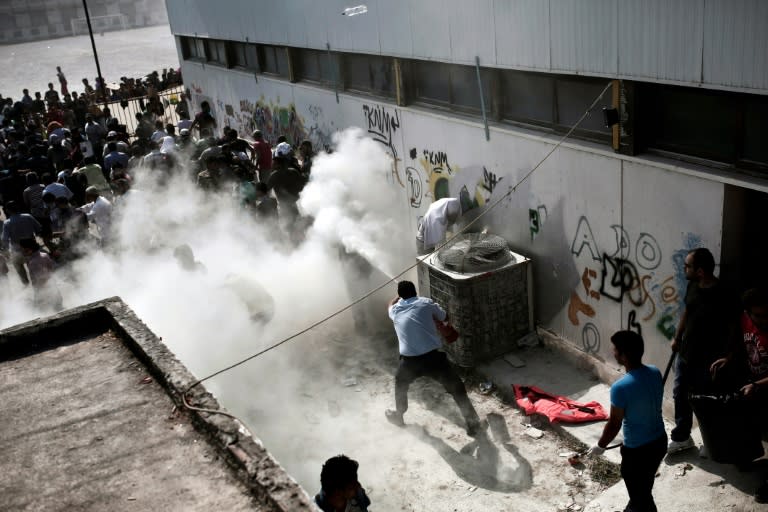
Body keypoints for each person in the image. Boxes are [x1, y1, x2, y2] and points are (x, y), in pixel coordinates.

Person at [385, 280, 482, 435]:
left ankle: (399, 415)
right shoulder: (425, 303)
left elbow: (390, 304)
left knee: (400, 384)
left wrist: (398, 296)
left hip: (409, 362)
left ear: (401, 296)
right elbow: (444, 316)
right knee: (457, 388)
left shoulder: (395, 310)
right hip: (433, 359)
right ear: (415, 291)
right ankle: (473, 424)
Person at [667, 248, 738, 454]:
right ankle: (682, 437)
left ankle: (711, 440)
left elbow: (734, 327)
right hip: (686, 353)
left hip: (709, 358)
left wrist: (729, 355)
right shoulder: (693, 285)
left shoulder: (725, 293)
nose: (684, 268)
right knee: (680, 393)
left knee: (706, 400)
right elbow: (687, 312)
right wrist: (677, 337)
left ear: (700, 271)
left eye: (687, 265)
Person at [588, 330, 667, 512]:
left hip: (638, 452)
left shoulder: (620, 388)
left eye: (616, 349)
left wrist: (600, 446)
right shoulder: (655, 372)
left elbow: (615, 423)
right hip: (659, 442)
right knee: (644, 487)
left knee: (642, 497)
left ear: (624, 355)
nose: (613, 352)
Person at [710, 287, 768, 503]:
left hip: (761, 385)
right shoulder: (745, 319)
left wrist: (756, 384)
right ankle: (748, 459)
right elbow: (742, 345)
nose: (762, 320)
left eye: (766, 315)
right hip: (754, 384)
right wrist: (729, 358)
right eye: (758, 315)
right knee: (747, 422)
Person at [1, 200, 42, 285]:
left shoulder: (7, 223)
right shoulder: (28, 216)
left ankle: (25, 284)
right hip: (32, 247)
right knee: (34, 267)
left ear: (7, 211)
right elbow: (38, 229)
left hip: (17, 250)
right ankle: (38, 284)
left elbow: (5, 239)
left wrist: (6, 250)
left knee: (18, 266)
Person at [19, 238, 62, 311]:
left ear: (28, 250)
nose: (21, 251)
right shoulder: (44, 255)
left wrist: (38, 295)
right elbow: (53, 267)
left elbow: (40, 280)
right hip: (53, 288)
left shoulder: (33, 262)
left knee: (45, 312)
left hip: (44, 292)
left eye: (22, 249)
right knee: (58, 308)